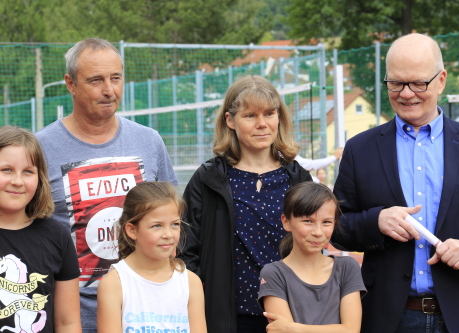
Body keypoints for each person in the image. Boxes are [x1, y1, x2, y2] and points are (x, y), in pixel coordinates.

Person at [332, 33, 459, 333]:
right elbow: (337, 228)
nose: (406, 93)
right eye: (396, 83)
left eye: (418, 83)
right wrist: (377, 221)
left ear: (441, 80)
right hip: (388, 318)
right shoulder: (360, 150)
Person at [36, 38, 177, 333]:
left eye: (116, 78)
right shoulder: (40, 149)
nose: (109, 90)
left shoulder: (149, 142)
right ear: (70, 83)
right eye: (96, 80)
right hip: (72, 318)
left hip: (147, 316)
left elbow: (172, 223)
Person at [180, 74, 312, 333]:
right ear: (230, 120)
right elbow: (186, 248)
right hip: (227, 317)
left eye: (270, 114)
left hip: (288, 316)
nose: (262, 124)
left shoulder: (298, 179)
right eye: (250, 115)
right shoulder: (208, 179)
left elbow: (315, 243)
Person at [0, 125, 81, 333]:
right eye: (6, 170)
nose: (17, 181)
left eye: (28, 172)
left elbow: (67, 322)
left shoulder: (57, 236)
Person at [97, 182, 206, 333]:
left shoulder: (191, 282)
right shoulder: (114, 284)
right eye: (157, 226)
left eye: (175, 224)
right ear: (132, 230)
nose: (168, 234)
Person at [258, 182, 365, 333]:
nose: (318, 232)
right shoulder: (273, 273)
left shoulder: (347, 267)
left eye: (326, 222)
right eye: (308, 221)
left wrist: (294, 328)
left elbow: (351, 329)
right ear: (286, 222)